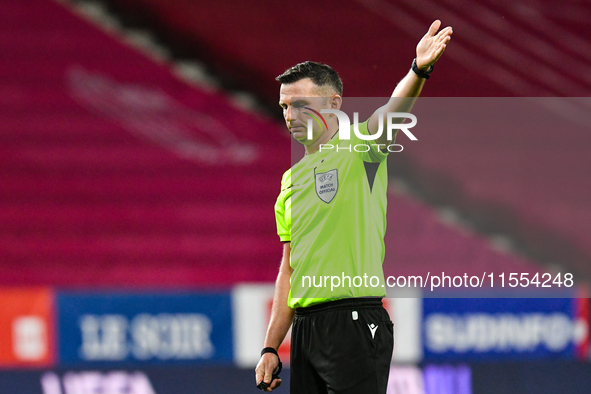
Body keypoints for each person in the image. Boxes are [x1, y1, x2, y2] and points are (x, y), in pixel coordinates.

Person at [255, 20, 453, 393]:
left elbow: (390, 115)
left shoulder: (360, 148)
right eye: (284, 105)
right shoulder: (290, 181)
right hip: (306, 329)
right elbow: (289, 269)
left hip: (355, 318)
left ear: (333, 105)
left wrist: (418, 69)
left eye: (300, 104)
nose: (289, 113)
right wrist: (270, 344)